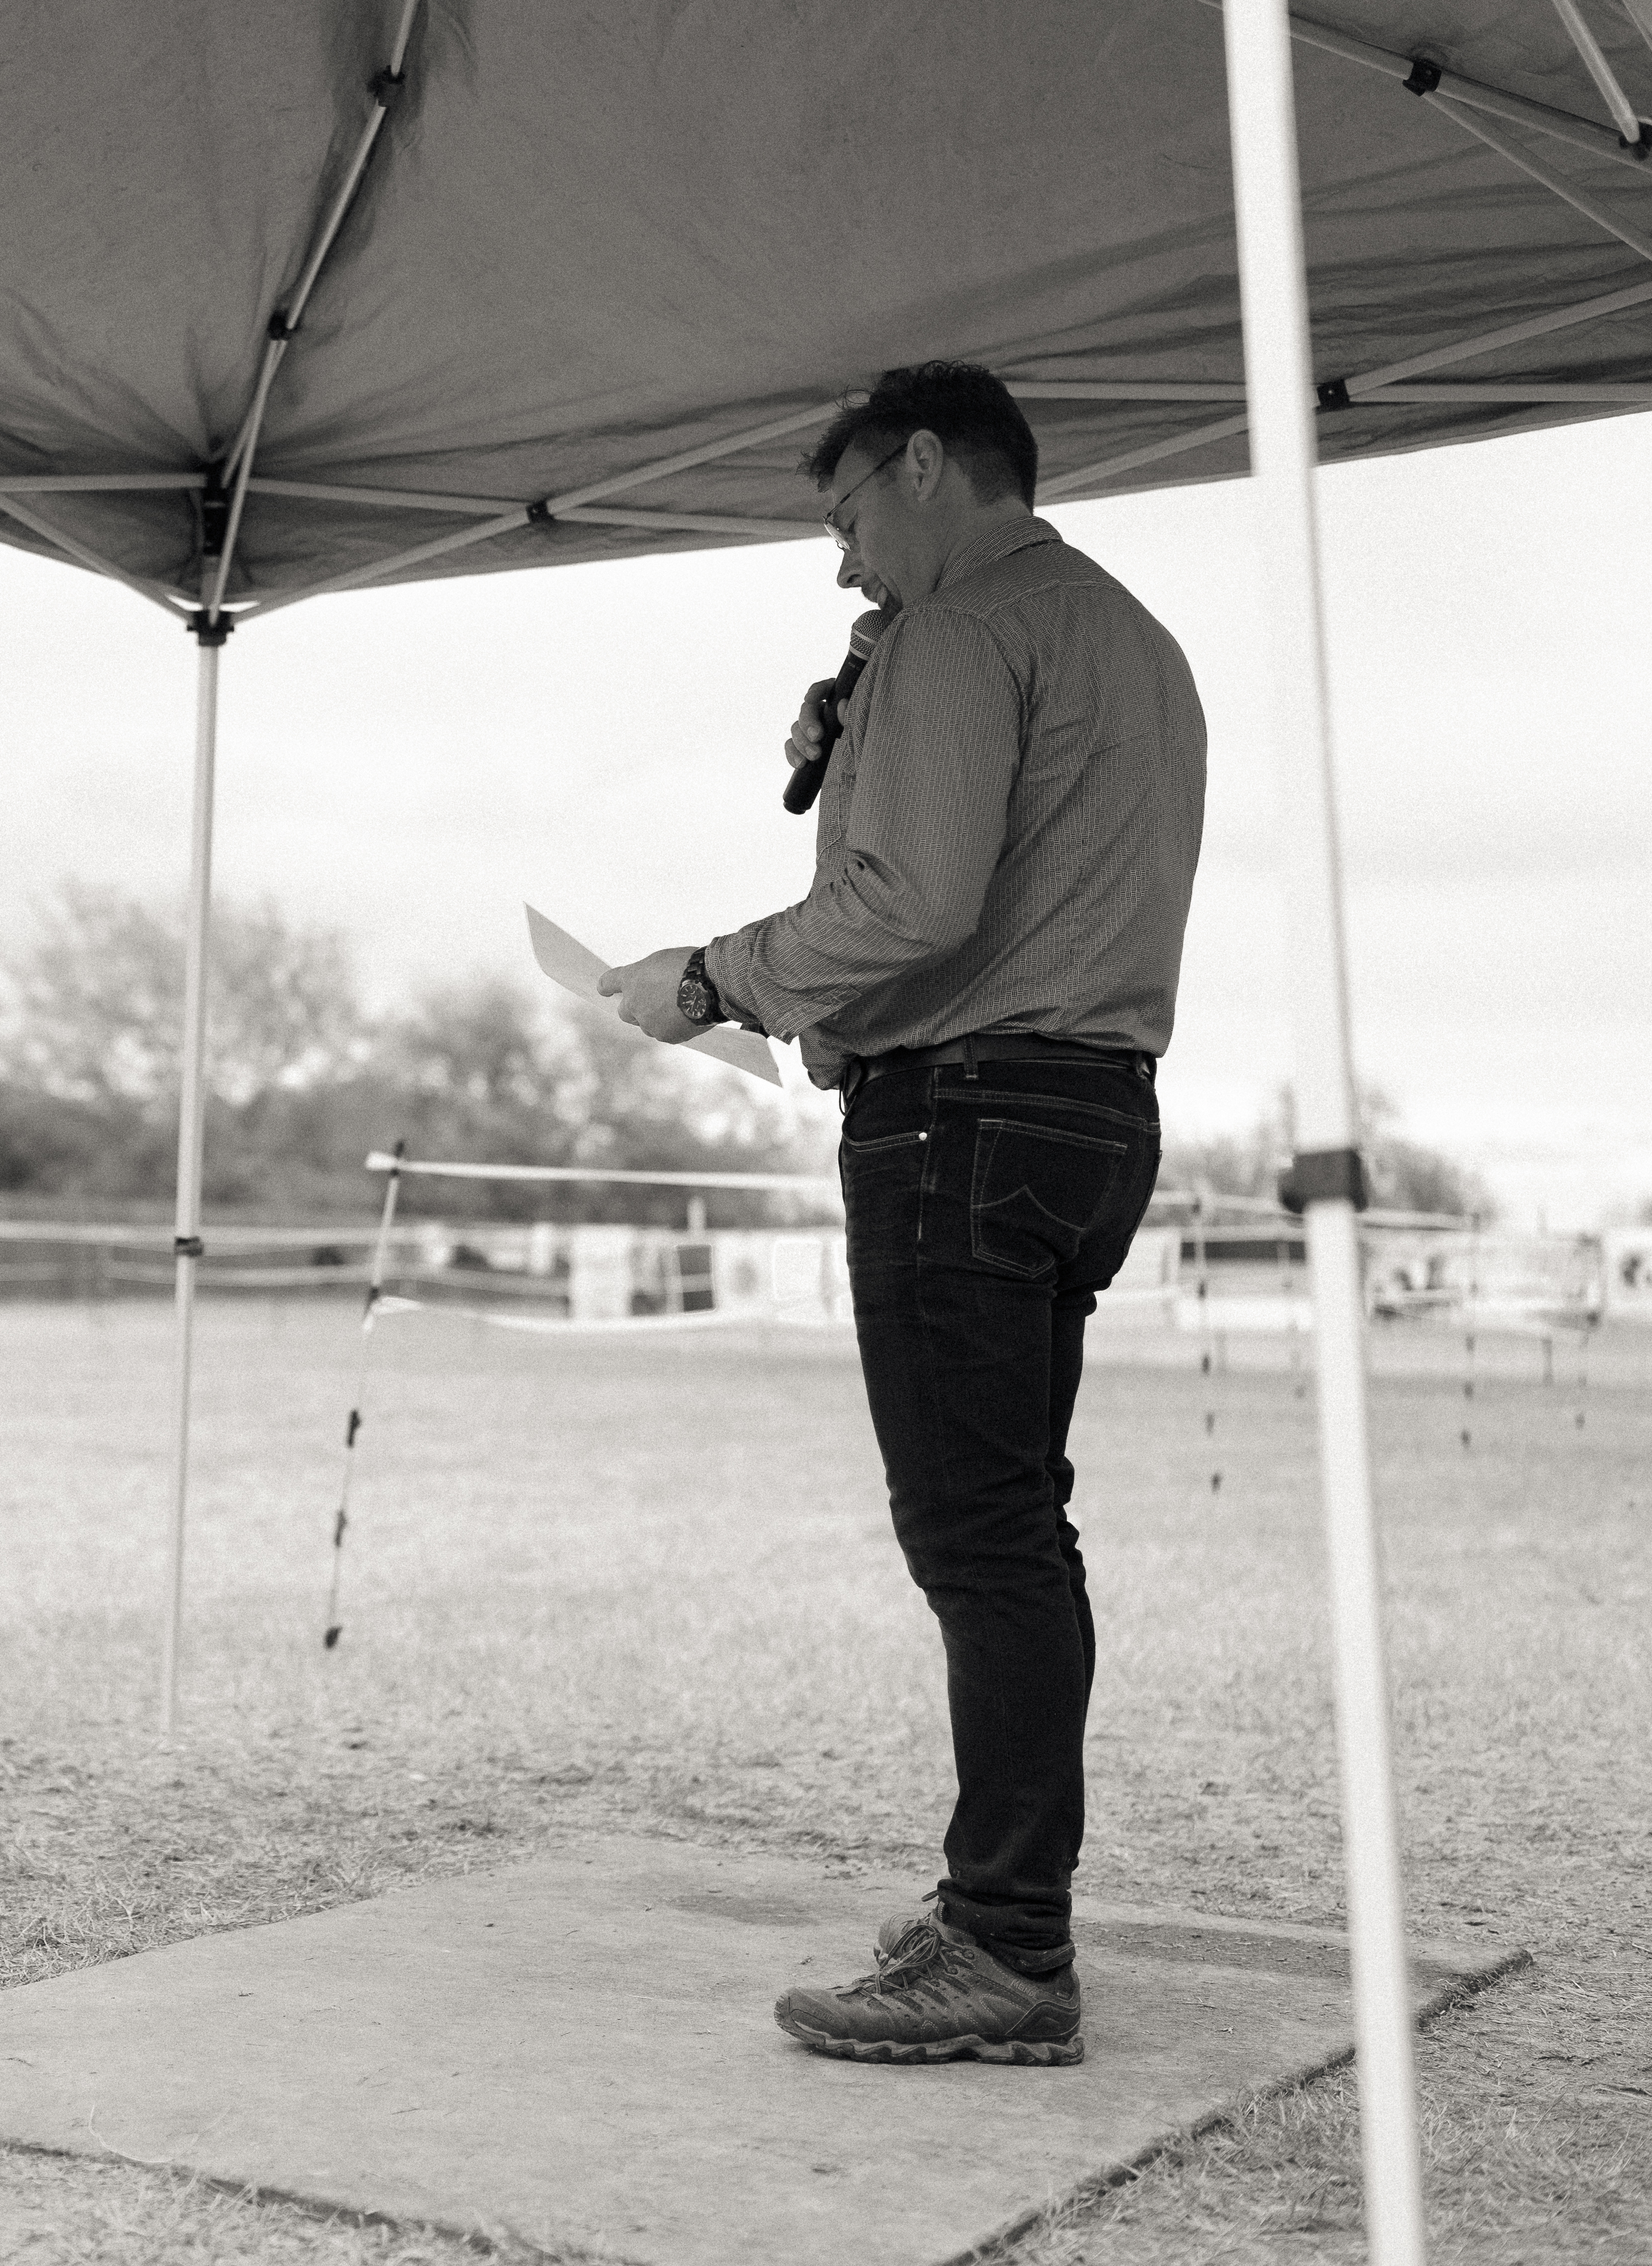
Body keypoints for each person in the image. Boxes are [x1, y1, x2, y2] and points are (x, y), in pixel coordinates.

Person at [601, 362, 1205, 2066]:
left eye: (849, 513)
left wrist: (711, 977)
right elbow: (1000, 882)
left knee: (978, 1535)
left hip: (964, 1115)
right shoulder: (1126, 637)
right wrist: (860, 726)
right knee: (1018, 1522)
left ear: (927, 464)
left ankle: (1006, 1942)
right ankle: (999, 1903)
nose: (842, 561)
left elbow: (914, 902)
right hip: (1088, 1110)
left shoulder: (961, 632)